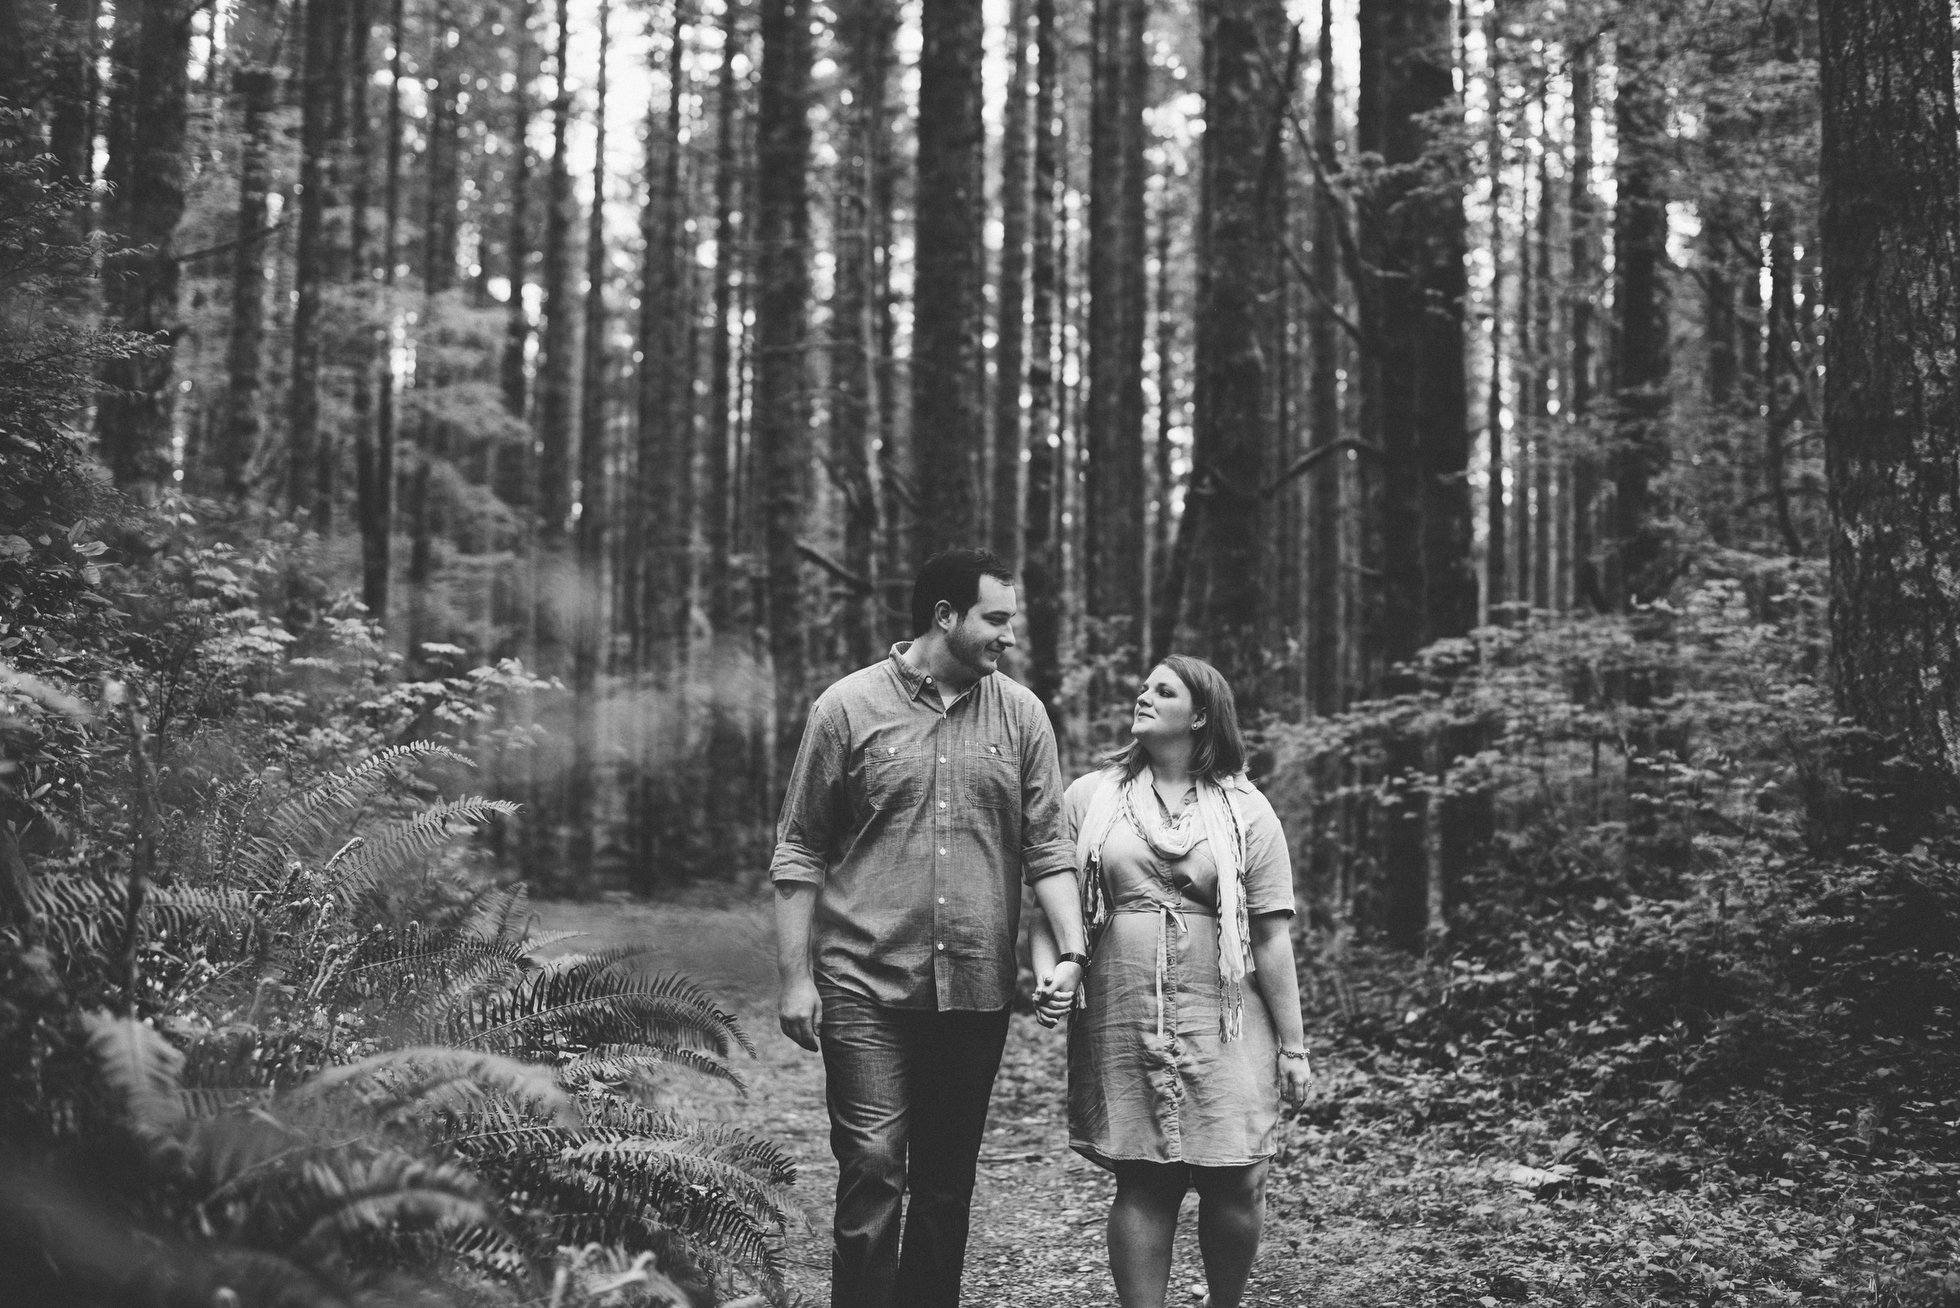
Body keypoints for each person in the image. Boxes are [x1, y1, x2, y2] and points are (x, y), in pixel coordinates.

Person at [771, 547, 1091, 1308]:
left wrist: (1071, 949)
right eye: (996, 619)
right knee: (874, 1167)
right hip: (864, 979)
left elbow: (1046, 845)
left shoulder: (1022, 715)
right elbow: (800, 847)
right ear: (945, 617)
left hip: (976, 987)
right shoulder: (846, 708)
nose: (1008, 637)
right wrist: (794, 979)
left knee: (946, 1184)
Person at [1030, 654, 1312, 1308]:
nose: (1144, 695)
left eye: (1165, 689)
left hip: (1226, 1012)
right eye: (1145, 686)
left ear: (1202, 713)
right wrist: (1051, 973)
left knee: (1238, 1176)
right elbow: (1049, 908)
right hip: (1122, 1002)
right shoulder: (1089, 797)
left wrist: (1295, 1050)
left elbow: (1271, 938)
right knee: (1144, 1179)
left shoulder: (1247, 808)